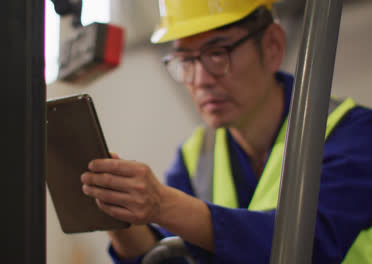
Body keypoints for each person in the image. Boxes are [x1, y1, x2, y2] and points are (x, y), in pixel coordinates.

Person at [80, 0, 372, 263]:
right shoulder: (196, 157)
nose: (201, 80)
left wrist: (163, 204)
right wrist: (115, 216)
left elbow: (309, 247)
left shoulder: (353, 136)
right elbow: (172, 256)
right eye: (186, 61)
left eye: (217, 53)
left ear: (272, 47)